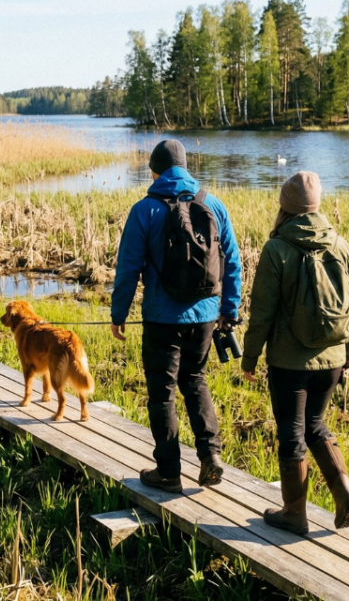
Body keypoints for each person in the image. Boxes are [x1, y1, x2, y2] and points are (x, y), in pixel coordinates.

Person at [111, 139, 242, 493]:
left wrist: (118, 313)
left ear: (154, 171)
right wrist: (228, 311)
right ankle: (210, 456)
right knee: (196, 380)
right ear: (185, 167)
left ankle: (169, 472)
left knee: (162, 394)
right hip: (204, 317)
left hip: (161, 318)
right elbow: (232, 263)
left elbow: (128, 268)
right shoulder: (213, 205)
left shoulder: (144, 210)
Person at [241, 171, 349, 535]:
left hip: (289, 362)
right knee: (315, 425)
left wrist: (249, 358)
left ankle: (294, 514)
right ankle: (345, 493)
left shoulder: (276, 249)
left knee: (293, 434)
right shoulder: (341, 245)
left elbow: (262, 313)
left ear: (285, 206)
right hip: (333, 359)